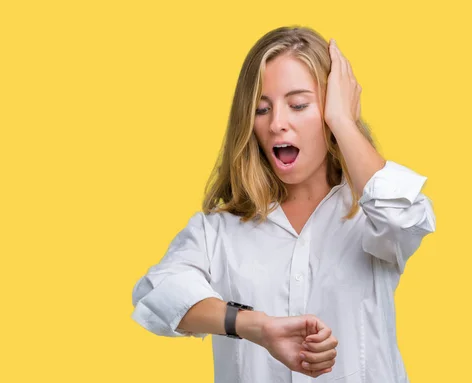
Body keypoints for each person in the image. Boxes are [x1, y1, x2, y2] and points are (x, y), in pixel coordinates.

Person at [130, 25, 435, 383]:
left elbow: (405, 218)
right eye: (261, 109)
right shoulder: (219, 230)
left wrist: (343, 121)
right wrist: (253, 325)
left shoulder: (369, 218)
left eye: (299, 105)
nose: (277, 123)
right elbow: (157, 294)